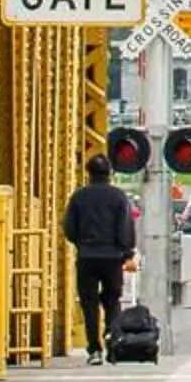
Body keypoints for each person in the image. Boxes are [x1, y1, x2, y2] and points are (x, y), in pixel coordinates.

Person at [60, 155, 136, 364]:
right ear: (109, 174)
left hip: (87, 257)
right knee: (112, 300)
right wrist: (127, 253)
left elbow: (69, 229)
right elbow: (125, 228)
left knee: (89, 302)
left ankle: (94, 349)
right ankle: (112, 338)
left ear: (89, 173)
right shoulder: (119, 197)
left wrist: (82, 244)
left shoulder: (78, 197)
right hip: (113, 258)